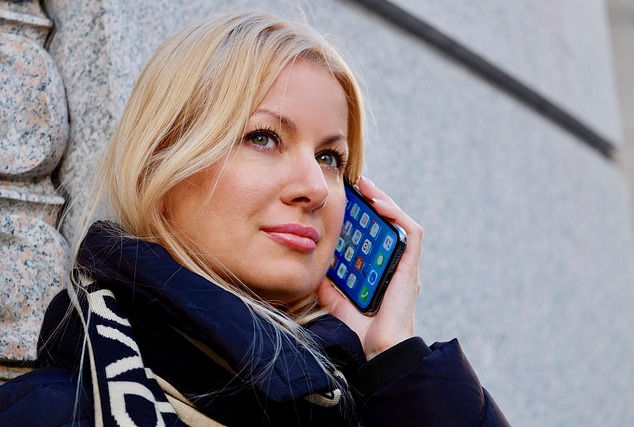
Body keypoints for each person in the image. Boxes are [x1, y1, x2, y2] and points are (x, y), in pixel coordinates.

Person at [0, 11, 510, 426]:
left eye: (330, 157)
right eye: (263, 138)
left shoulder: (371, 401)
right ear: (162, 165)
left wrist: (393, 358)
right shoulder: (49, 413)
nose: (315, 187)